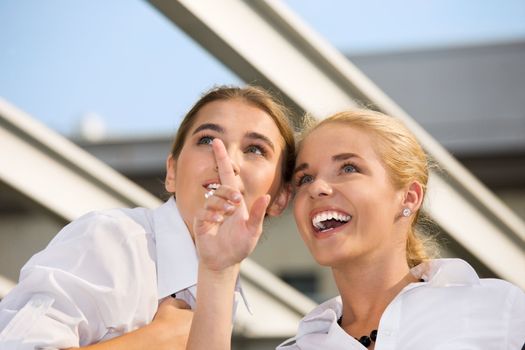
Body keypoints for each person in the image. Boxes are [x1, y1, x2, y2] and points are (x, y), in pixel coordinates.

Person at [187, 108, 525, 350]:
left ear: (408, 196)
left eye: (348, 167)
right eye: (304, 178)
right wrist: (219, 269)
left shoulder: (498, 308)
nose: (317, 187)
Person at [0, 85, 295, 349]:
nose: (227, 160)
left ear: (281, 198)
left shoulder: (221, 287)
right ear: (172, 172)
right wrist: (157, 339)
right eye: (207, 140)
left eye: (255, 149)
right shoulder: (112, 240)